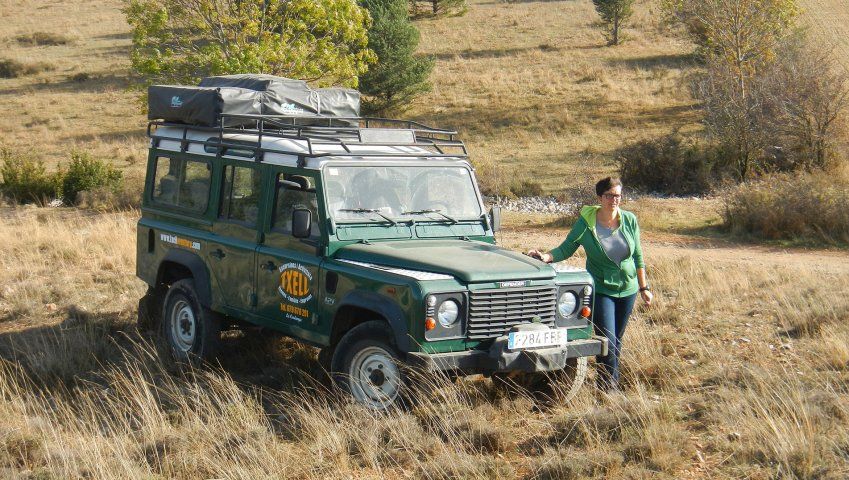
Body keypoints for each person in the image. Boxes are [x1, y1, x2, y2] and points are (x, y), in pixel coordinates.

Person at [527, 177, 653, 392]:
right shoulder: (586, 224)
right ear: (599, 197)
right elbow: (567, 247)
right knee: (608, 340)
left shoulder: (629, 220)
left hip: (629, 289)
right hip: (602, 289)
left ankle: (607, 382)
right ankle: (609, 391)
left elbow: (638, 257)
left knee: (616, 341)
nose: (614, 200)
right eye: (609, 196)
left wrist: (644, 288)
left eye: (618, 195)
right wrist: (547, 256)